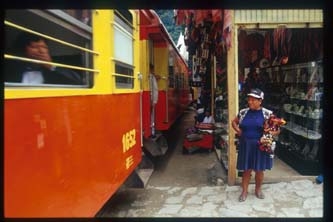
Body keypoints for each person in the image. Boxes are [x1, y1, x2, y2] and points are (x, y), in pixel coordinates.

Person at [231, 88, 280, 202]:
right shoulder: (243, 112)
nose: (250, 102)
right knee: (246, 170)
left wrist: (269, 134)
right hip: (246, 145)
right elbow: (234, 122)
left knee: (259, 170)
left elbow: (277, 130)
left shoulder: (267, 114)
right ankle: (244, 191)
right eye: (249, 99)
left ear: (260, 101)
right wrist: (238, 131)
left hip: (260, 146)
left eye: (253, 100)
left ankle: (258, 190)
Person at [5, 31, 82, 85]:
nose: (41, 51)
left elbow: (78, 82)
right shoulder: (10, 68)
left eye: (44, 47)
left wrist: (50, 66)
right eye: (35, 47)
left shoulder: (53, 71)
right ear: (23, 50)